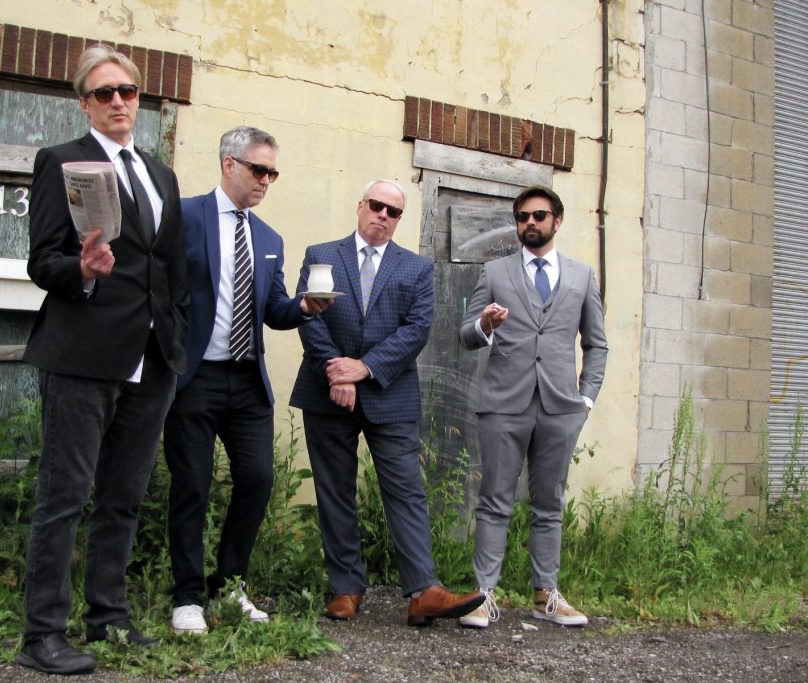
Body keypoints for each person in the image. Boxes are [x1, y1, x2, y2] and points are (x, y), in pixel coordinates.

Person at [17, 44, 189, 675]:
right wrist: (81, 271)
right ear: (84, 102)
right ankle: (43, 634)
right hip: (84, 353)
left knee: (124, 496)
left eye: (129, 92)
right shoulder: (61, 161)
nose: (119, 102)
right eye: (104, 93)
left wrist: (178, 334)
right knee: (64, 496)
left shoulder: (159, 172)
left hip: (152, 358)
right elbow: (43, 261)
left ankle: (109, 618)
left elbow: (171, 265)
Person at [290, 179, 485, 627]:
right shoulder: (322, 255)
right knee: (334, 491)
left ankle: (423, 592)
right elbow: (309, 317)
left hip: (390, 393)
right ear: (360, 206)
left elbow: (416, 330)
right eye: (376, 205)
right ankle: (346, 588)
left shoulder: (416, 268)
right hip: (327, 392)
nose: (383, 215)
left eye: (393, 211)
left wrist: (364, 370)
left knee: (406, 491)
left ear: (399, 219)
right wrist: (335, 370)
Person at [163, 126, 331, 635]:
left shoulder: (268, 238)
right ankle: (187, 597)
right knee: (190, 486)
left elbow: (273, 310)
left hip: (246, 381)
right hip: (193, 378)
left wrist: (303, 307)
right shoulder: (185, 217)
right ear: (228, 164)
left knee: (258, 480)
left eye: (273, 173)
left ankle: (230, 586)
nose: (266, 181)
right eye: (259, 169)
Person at [457, 185, 608, 629]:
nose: (530, 223)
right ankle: (483, 595)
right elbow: (466, 335)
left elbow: (596, 343)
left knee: (549, 503)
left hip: (561, 406)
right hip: (504, 402)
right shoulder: (496, 272)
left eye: (539, 216)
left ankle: (546, 595)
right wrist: (485, 323)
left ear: (556, 221)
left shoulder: (581, 276)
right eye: (523, 217)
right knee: (494, 501)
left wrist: (585, 398)